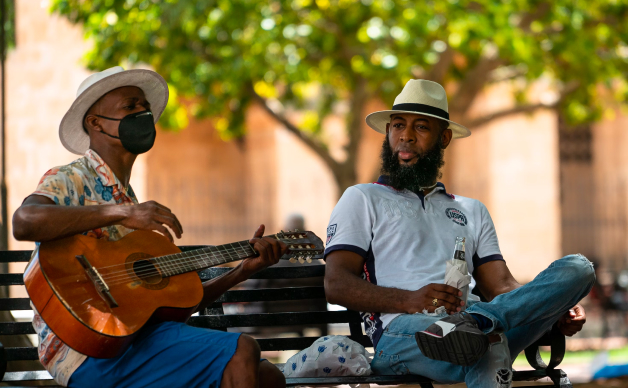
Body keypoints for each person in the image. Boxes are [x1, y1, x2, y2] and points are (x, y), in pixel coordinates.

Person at [12, 67, 287, 388]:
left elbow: (169, 306)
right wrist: (119, 213)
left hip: (133, 342)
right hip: (85, 352)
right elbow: (23, 221)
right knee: (242, 349)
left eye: (144, 107)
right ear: (95, 123)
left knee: (268, 377)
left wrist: (240, 272)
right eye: (130, 107)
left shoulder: (127, 198)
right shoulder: (72, 177)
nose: (142, 113)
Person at [323, 79, 595, 387]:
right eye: (398, 125)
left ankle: (477, 323)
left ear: (445, 137)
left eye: (421, 127)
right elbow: (337, 284)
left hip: (474, 322)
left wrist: (552, 306)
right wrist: (409, 300)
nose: (406, 136)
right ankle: (476, 327)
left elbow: (502, 286)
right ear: (388, 132)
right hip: (402, 332)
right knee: (487, 342)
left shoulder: (471, 209)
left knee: (579, 268)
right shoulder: (362, 198)